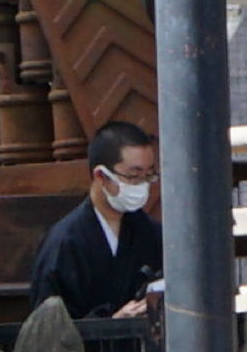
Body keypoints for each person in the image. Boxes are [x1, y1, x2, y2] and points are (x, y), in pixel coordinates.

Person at [27, 120, 167, 319]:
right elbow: (49, 328)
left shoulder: (151, 233)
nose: (142, 185)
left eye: (149, 176)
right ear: (101, 176)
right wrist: (112, 324)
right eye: (134, 176)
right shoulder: (65, 243)